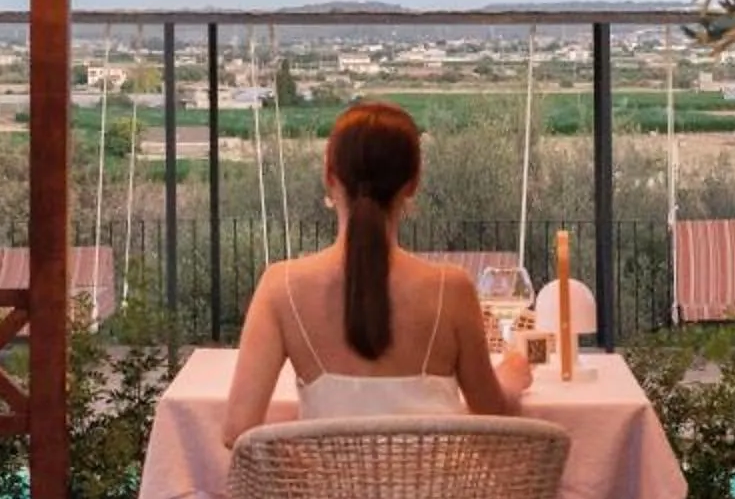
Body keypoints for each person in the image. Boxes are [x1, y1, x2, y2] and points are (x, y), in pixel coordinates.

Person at [223, 99, 532, 437]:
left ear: (329, 177)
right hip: (433, 490)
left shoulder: (280, 287)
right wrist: (513, 374)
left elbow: (236, 430)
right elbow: (492, 410)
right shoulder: (452, 289)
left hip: (326, 491)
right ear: (413, 183)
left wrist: (301, 448)